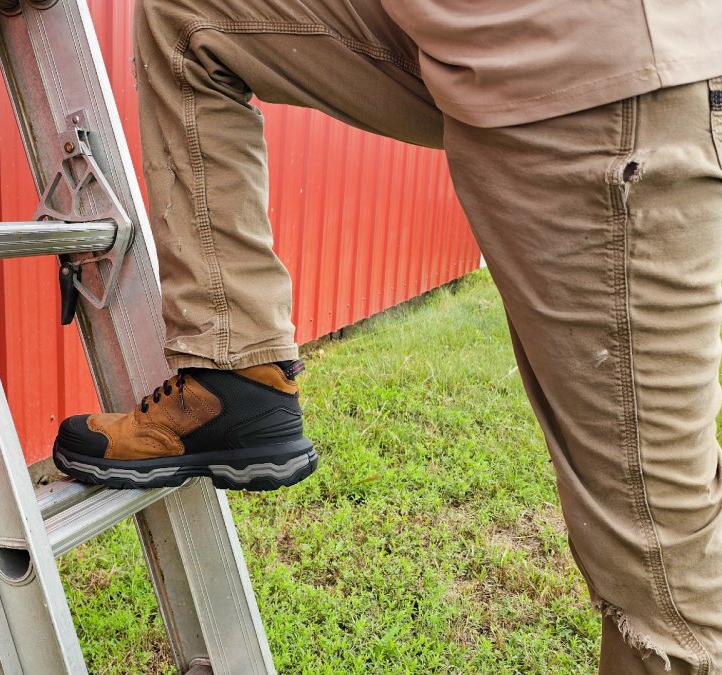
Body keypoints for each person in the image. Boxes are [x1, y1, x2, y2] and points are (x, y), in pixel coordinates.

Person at [51, 0, 722, 671]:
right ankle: (235, 375)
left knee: (662, 587)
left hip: (608, 86)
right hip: (471, 45)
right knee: (188, 18)